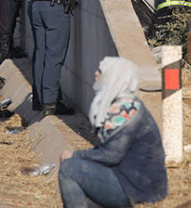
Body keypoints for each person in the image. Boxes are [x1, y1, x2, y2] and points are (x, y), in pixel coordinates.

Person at [58, 57, 168, 208]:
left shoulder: (124, 111)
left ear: (115, 78)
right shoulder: (124, 104)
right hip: (131, 180)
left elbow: (111, 155)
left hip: (137, 189)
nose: (96, 74)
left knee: (68, 169)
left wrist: (75, 155)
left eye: (101, 72)